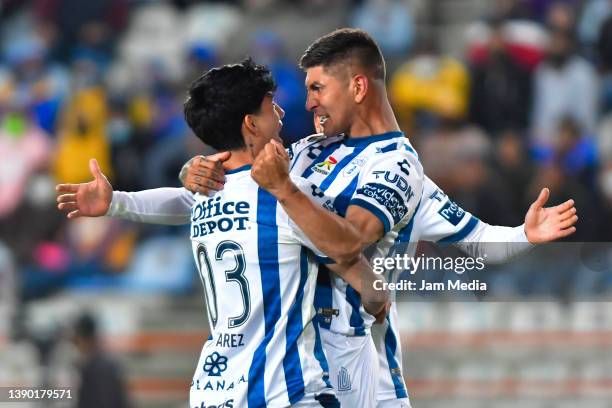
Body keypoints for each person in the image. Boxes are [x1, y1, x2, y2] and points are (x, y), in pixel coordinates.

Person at [65, 29, 578, 407]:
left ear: (357, 88)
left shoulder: (395, 167)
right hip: (298, 363)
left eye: (316, 89)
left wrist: (523, 235)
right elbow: (244, 182)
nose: (303, 103)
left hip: (354, 361)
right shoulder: (310, 151)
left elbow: (355, 240)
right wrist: (193, 169)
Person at [57, 58, 388, 407]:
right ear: (251, 124)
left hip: (213, 391)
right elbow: (352, 255)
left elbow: (181, 201)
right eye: (269, 105)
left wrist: (117, 202)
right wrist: (376, 299)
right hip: (283, 391)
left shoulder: (204, 192)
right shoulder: (287, 194)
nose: (281, 112)